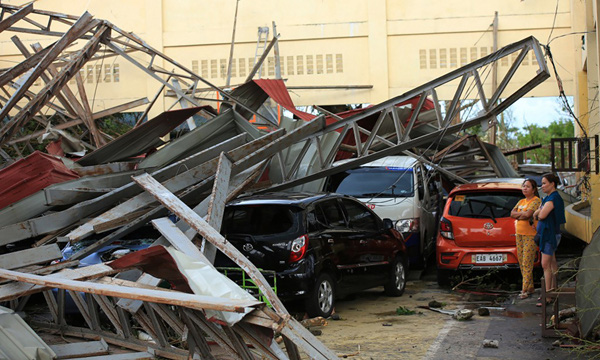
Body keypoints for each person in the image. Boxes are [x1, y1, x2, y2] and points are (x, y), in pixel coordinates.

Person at [533, 173, 566, 306]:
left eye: (545, 183)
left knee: (545, 265)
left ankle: (547, 296)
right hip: (548, 233)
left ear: (552, 184)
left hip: (549, 234)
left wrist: (539, 211)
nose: (542, 186)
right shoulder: (548, 198)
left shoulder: (553, 198)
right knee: (551, 263)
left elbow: (541, 215)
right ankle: (552, 291)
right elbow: (537, 212)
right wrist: (539, 211)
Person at [511, 178, 541, 299]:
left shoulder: (536, 201)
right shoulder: (521, 201)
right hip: (519, 234)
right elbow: (512, 213)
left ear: (534, 189)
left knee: (527, 262)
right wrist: (521, 215)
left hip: (530, 235)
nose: (525, 188)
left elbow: (528, 215)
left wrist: (520, 215)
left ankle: (524, 290)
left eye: (528, 186)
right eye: (524, 186)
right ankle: (530, 287)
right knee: (521, 261)